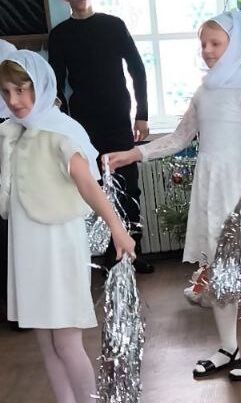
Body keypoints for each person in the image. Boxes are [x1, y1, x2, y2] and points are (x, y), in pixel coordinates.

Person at [108, 10, 241, 382]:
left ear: (234, 45)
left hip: (240, 187)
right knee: (216, 269)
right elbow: (179, 137)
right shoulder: (204, 92)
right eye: (203, 44)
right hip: (210, 188)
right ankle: (228, 347)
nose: (208, 50)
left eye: (216, 43)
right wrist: (134, 154)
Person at [0, 50, 135, 403]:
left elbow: (89, 185)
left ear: (40, 86)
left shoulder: (61, 131)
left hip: (58, 245)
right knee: (45, 340)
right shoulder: (13, 133)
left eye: (22, 89)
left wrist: (117, 228)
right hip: (26, 245)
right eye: (6, 92)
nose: (15, 100)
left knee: (66, 340)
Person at [48, 0, 154, 274]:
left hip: (118, 118)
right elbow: (55, 84)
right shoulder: (59, 34)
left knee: (128, 187)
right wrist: (63, 124)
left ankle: (134, 252)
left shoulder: (114, 25)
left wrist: (142, 114)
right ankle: (111, 254)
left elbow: (137, 69)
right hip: (83, 124)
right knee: (96, 188)